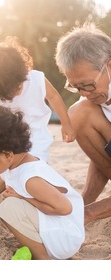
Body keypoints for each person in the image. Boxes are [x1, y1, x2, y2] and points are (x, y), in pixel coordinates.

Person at [0, 104, 85, 260]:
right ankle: (33, 244)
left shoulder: (31, 178)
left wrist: (23, 198)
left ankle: (43, 258)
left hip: (64, 237)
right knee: (4, 198)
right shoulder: (14, 165)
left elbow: (64, 208)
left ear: (7, 155)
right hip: (53, 227)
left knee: (10, 205)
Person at [0, 37, 75, 163]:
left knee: (31, 165)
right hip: (3, 142)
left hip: (36, 140)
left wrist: (66, 124)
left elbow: (54, 97)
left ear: (23, 72)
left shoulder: (35, 79)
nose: (17, 92)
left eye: (18, 85)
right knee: (7, 170)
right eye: (9, 91)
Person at [55, 24, 111, 225]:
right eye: (76, 87)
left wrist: (86, 215)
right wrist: (82, 203)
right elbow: (102, 154)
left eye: (88, 85)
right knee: (78, 112)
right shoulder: (90, 104)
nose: (85, 93)